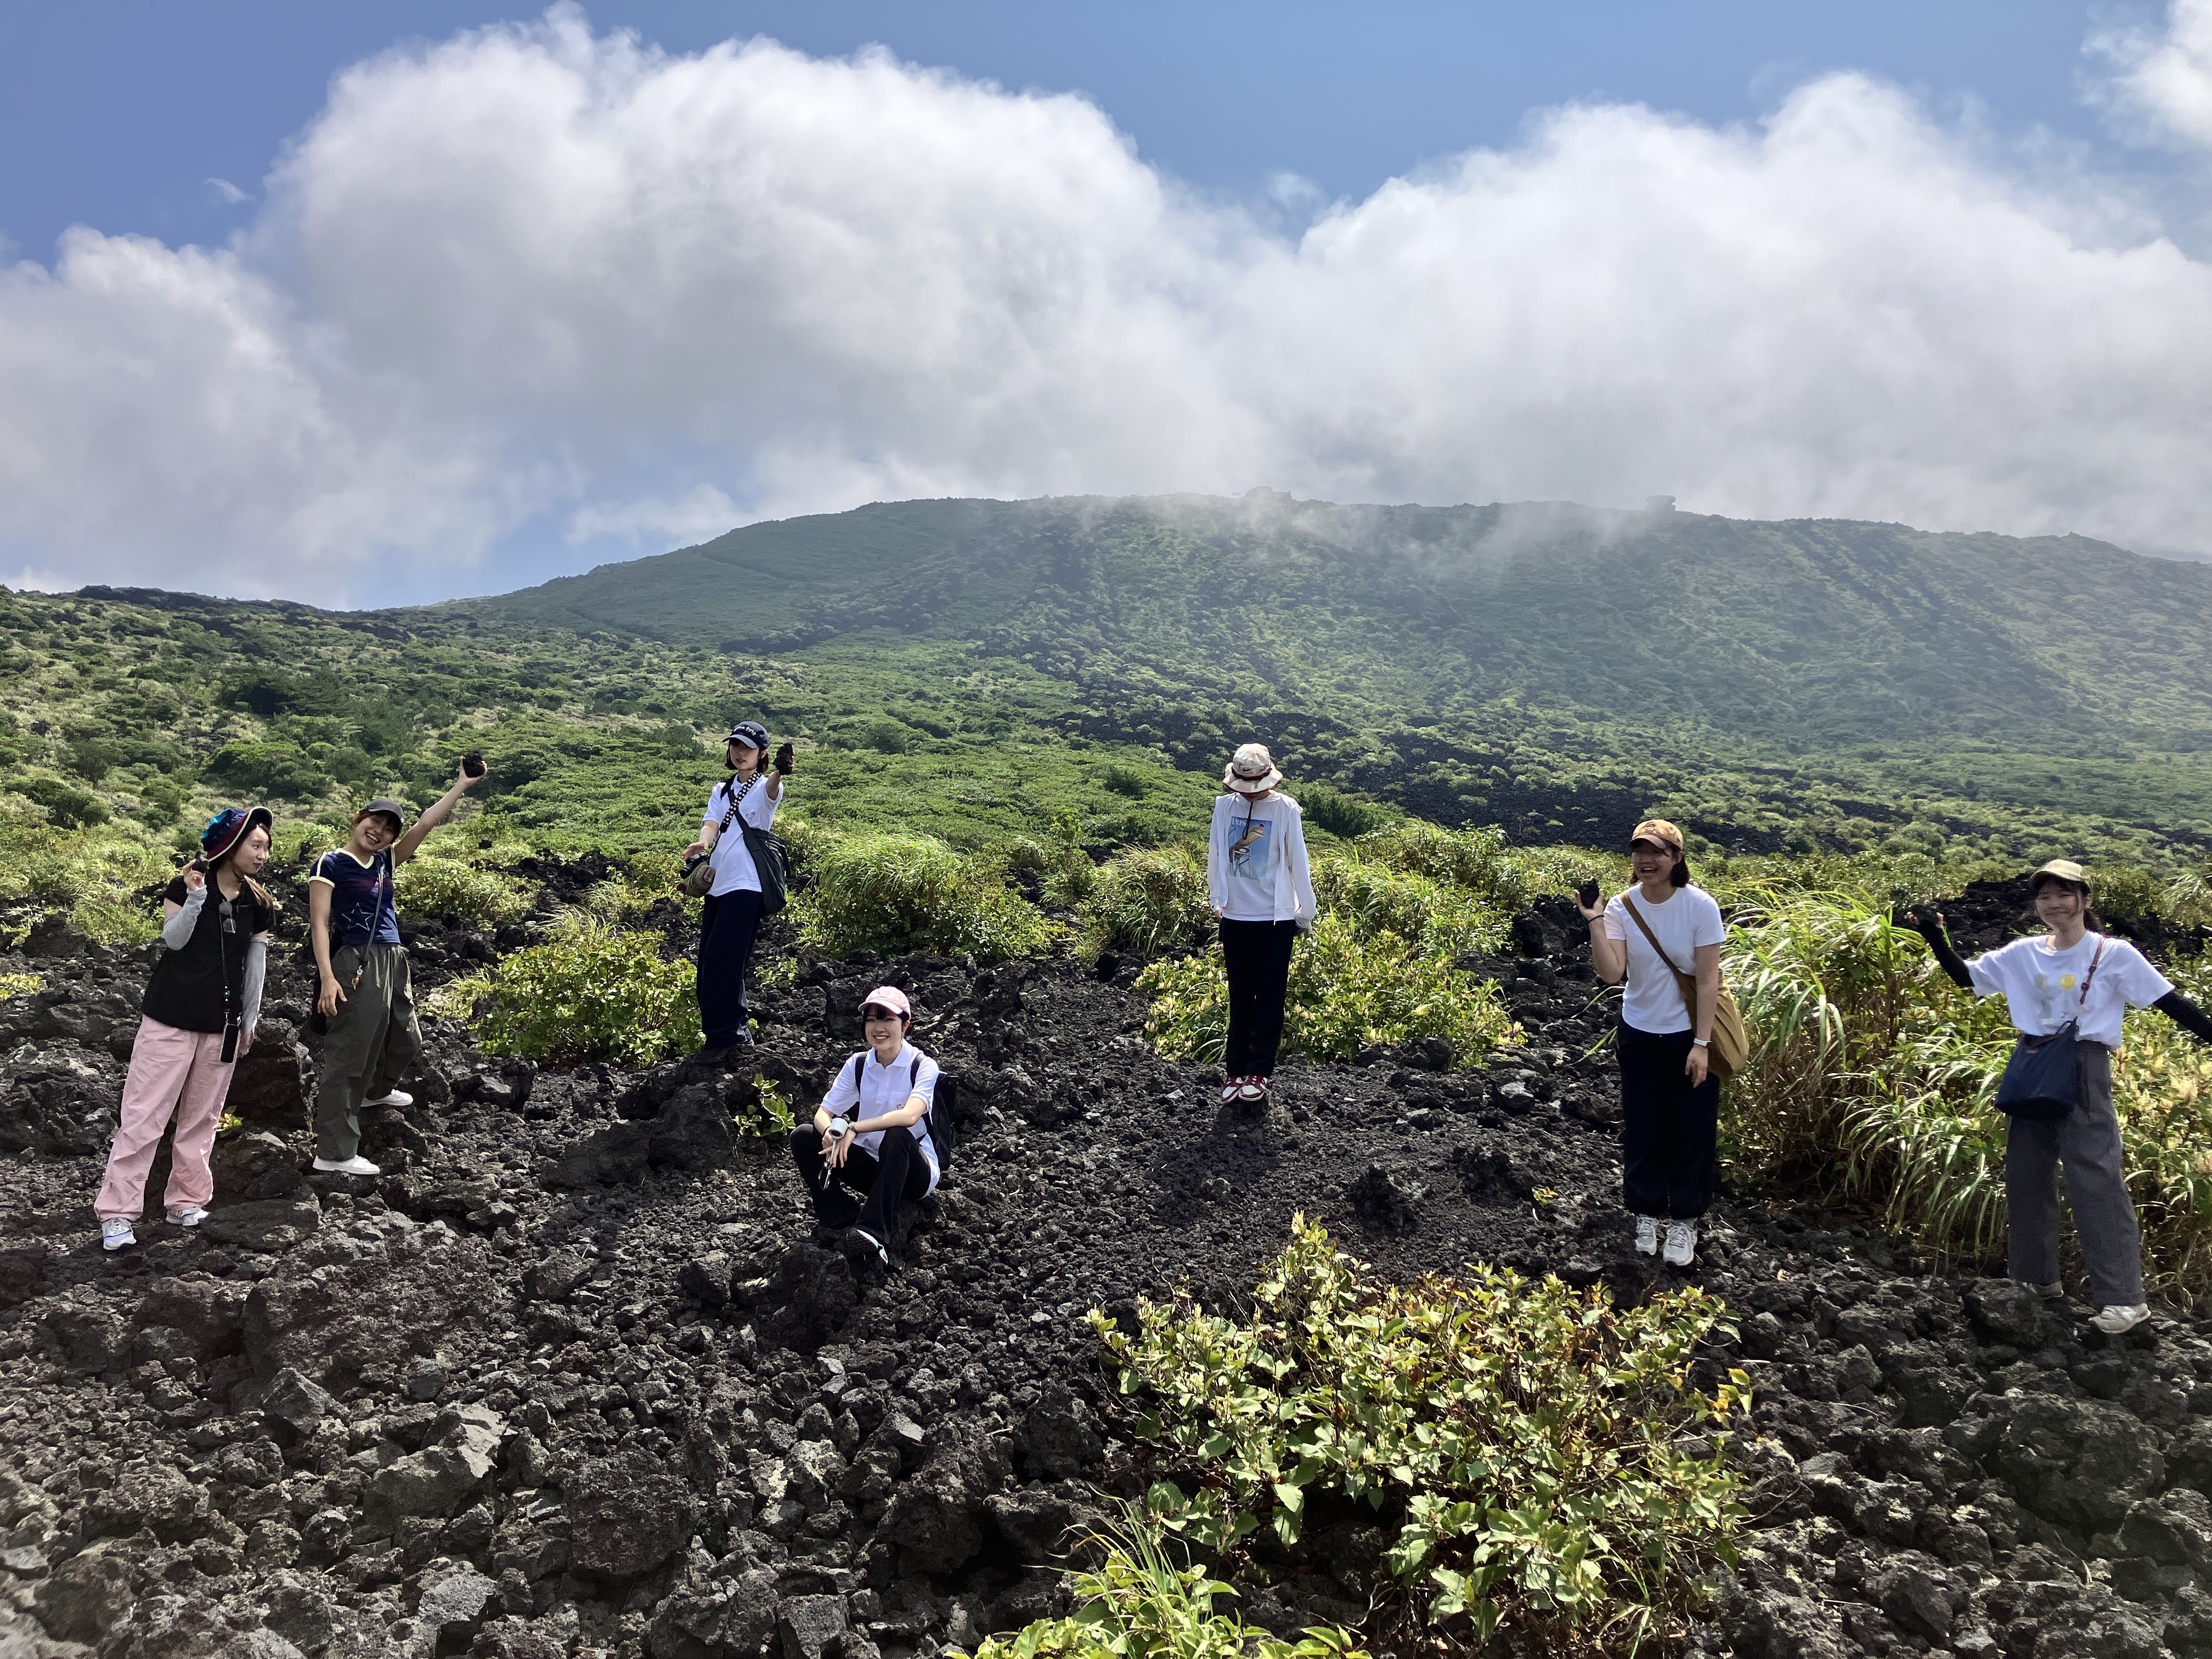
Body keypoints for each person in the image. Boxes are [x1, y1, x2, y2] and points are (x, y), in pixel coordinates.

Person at [1903, 860, 2212, 1336]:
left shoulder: (2114, 953)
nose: (2054, 904)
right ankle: (2035, 1280)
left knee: (2096, 1179)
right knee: (2026, 1175)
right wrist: (1934, 935)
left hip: (2083, 1063)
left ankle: (2124, 1301)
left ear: (2086, 900)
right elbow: (1966, 978)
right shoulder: (2023, 953)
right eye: (2045, 896)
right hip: (2031, 1062)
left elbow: (2170, 1003)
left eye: (2064, 894)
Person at [95, 808, 275, 1251]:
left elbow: (255, 965)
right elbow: (173, 940)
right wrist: (196, 898)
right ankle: (117, 1212)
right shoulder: (187, 885)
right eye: (256, 845)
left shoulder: (258, 903)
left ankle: (186, 1202)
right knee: (144, 1117)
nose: (263, 854)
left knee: (202, 1120)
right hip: (170, 1019)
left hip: (223, 1025)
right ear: (230, 845)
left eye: (267, 847)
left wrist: (249, 1020)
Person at [307, 767, 481, 1177]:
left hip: (394, 958)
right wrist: (328, 977)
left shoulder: (385, 861)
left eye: (388, 829)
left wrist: (462, 784)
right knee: (350, 1054)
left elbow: (425, 824)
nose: (379, 832)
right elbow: (319, 923)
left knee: (406, 1036)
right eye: (375, 821)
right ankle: (334, 1152)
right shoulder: (332, 863)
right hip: (356, 960)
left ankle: (375, 1091)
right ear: (359, 818)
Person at [1575, 819, 1727, 1268]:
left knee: (1692, 1128)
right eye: (1639, 851)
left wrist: (1702, 1043)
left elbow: (1708, 981)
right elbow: (1611, 973)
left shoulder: (1700, 907)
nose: (1646, 860)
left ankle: (1685, 1221)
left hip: (1687, 1036)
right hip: (1639, 1033)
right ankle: (1645, 1212)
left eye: (1657, 852)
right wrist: (1595, 920)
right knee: (1644, 1127)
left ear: (1676, 858)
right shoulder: (1622, 906)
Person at [791, 986, 941, 1268]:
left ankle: (874, 1234)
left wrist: (855, 1128)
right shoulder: (859, 1064)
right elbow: (823, 1112)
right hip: (873, 1168)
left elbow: (910, 1116)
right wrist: (830, 1134)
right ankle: (839, 1216)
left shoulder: (923, 1066)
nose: (878, 1028)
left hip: (913, 1175)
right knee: (803, 1136)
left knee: (898, 1135)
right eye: (871, 1020)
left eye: (888, 1020)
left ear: (905, 1025)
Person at [1205, 743, 1318, 1106]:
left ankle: (1259, 1072)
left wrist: (1305, 912)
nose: (1249, 793)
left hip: (1276, 919)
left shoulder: (1285, 809)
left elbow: (1298, 861)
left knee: (1269, 997)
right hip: (1235, 917)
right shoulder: (1224, 807)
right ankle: (1235, 1071)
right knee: (1240, 997)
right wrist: (1217, 900)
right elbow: (1217, 854)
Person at [681, 721, 793, 1060]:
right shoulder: (722, 789)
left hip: (747, 887)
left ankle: (728, 1037)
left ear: (762, 754)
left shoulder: (764, 787)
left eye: (748, 747)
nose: (740, 752)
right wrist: (703, 843)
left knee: (724, 961)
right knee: (709, 963)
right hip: (719, 887)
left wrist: (779, 772)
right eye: (735, 745)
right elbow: (712, 823)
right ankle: (725, 1034)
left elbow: (772, 792)